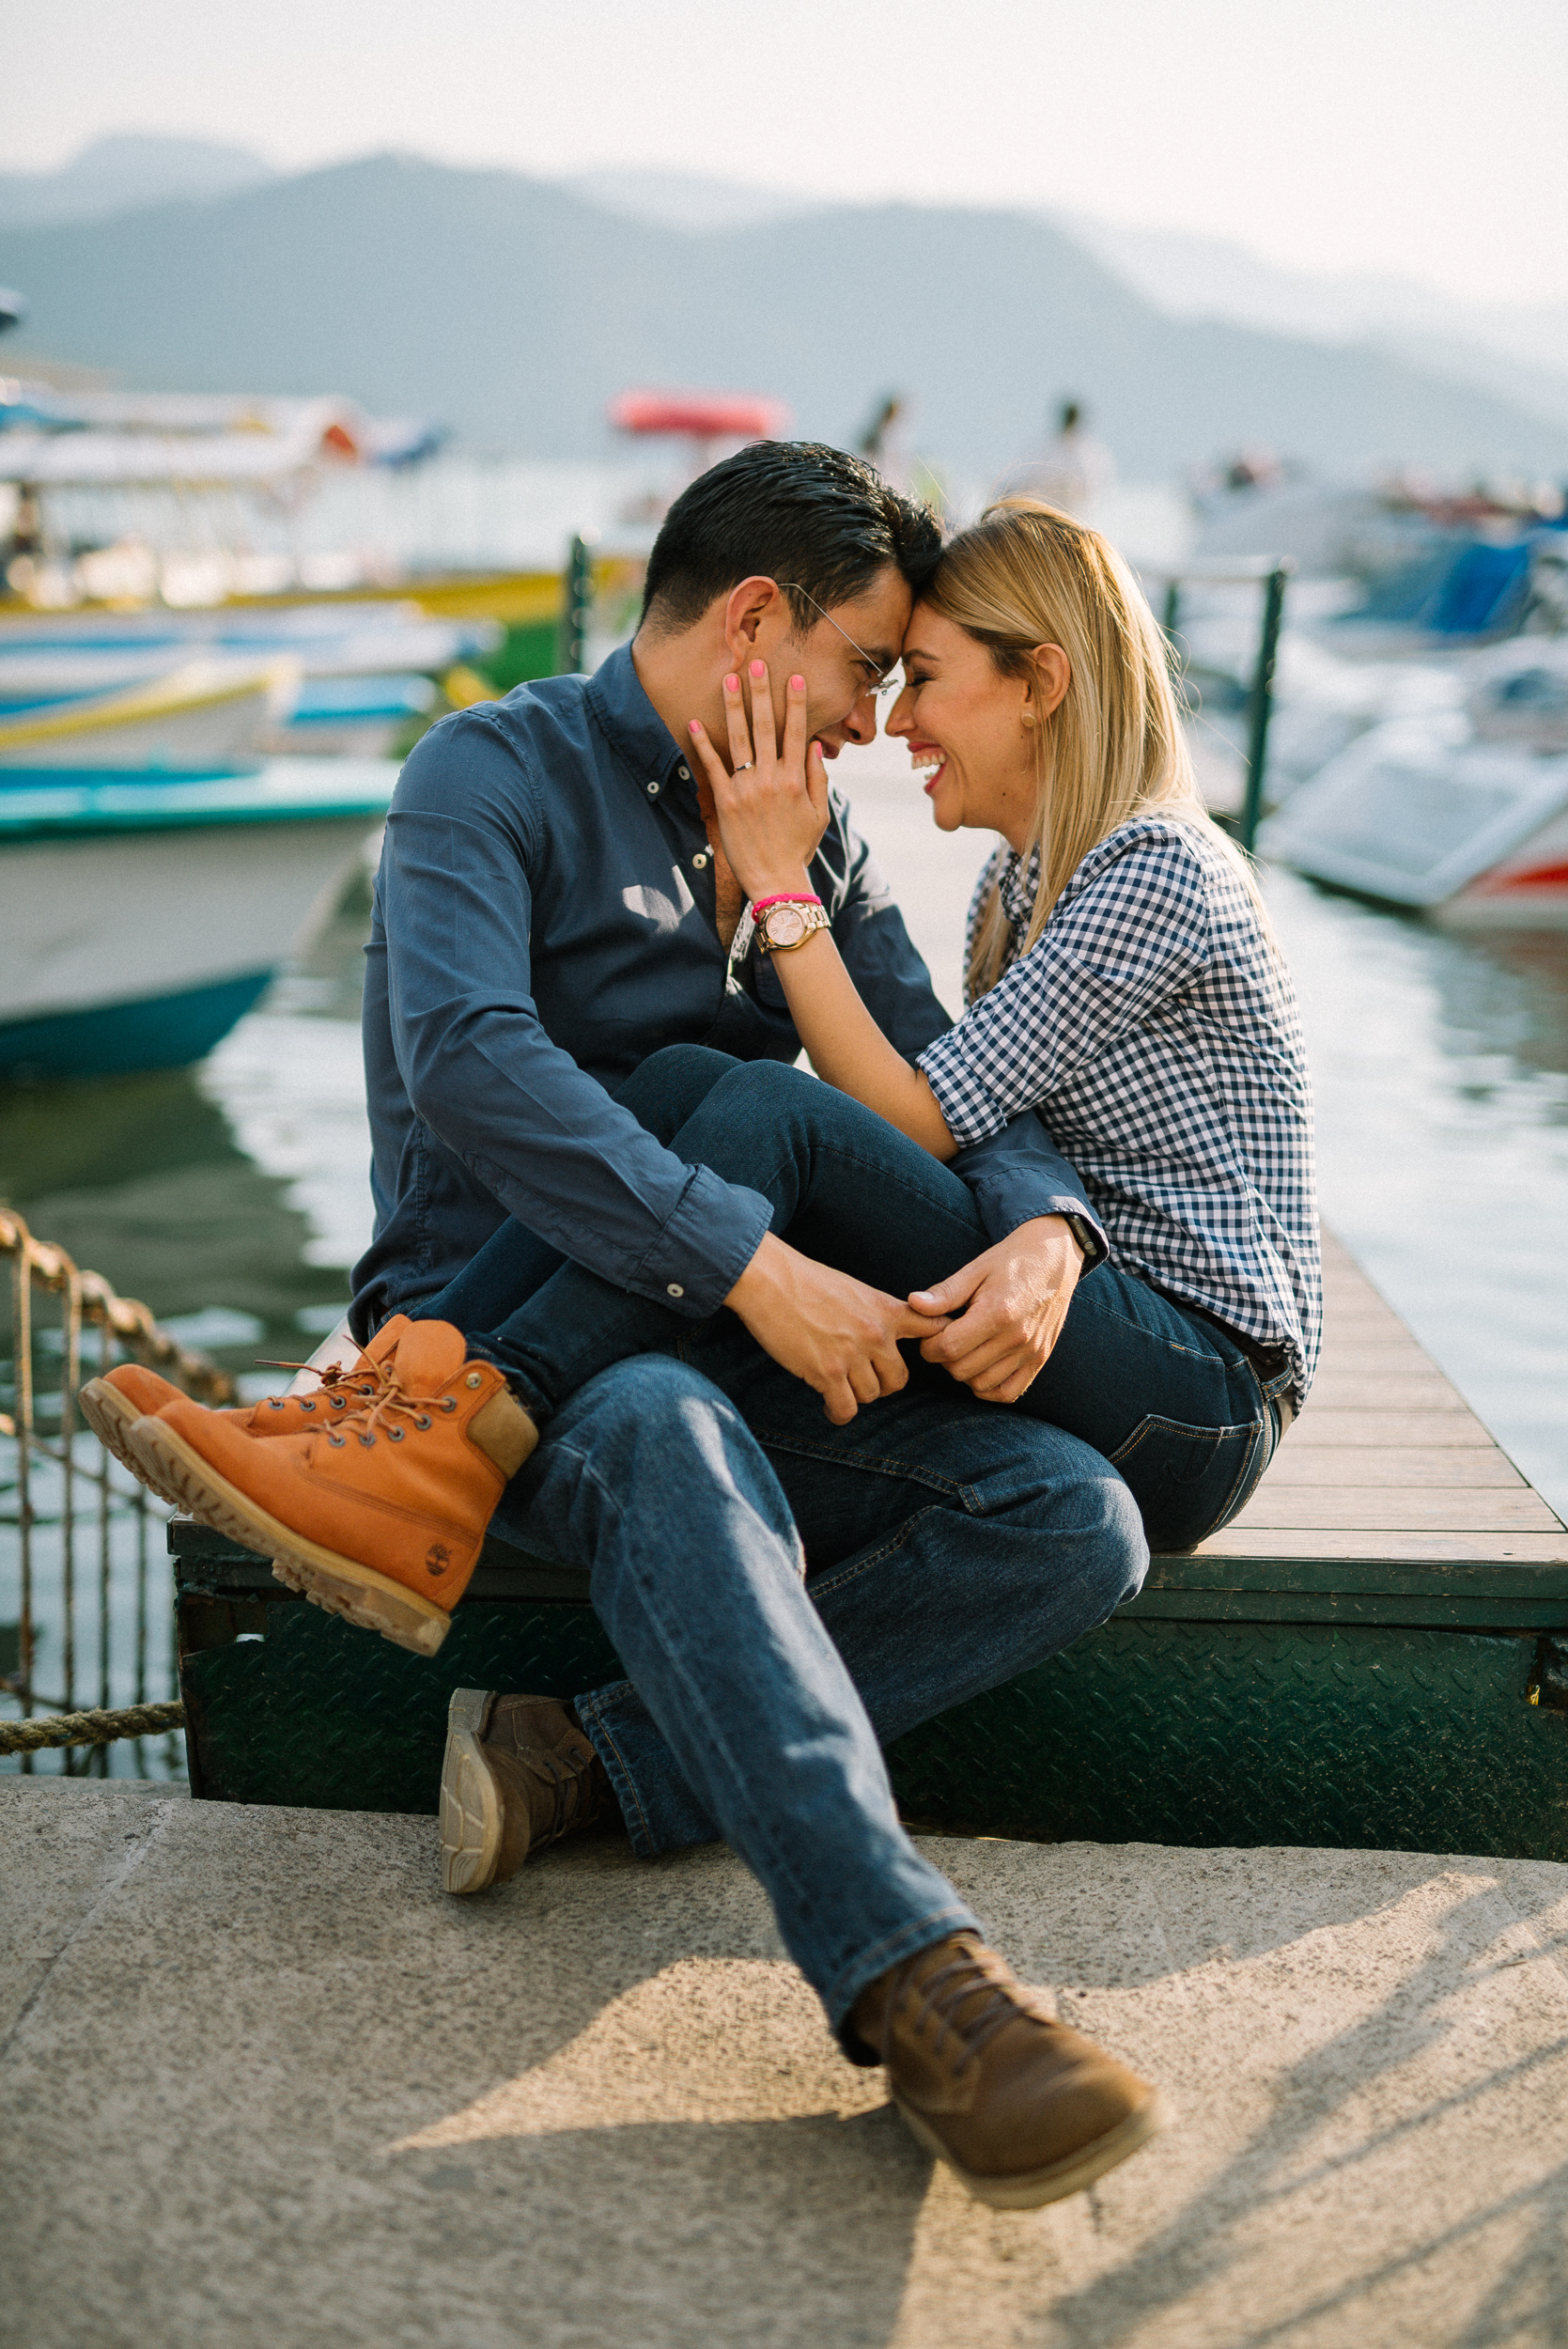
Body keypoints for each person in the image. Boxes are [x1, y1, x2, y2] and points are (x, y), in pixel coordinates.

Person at [87, 443, 1167, 2214]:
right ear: (755, 621)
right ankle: (921, 1991)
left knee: (1073, 1516)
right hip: (512, 1337)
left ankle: (579, 1755)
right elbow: (468, 1057)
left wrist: (1046, 1218)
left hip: (769, 1329)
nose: (870, 720)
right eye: (861, 673)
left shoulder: (805, 828)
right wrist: (743, 1259)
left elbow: (938, 1079)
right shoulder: (483, 771)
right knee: (664, 1423)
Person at [454, 496, 1320, 1551]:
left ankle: (461, 1426)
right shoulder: (1016, 883)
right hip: (1102, 1327)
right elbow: (983, 1114)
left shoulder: (1158, 869)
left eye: (924, 680)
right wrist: (1049, 1219)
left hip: (1202, 1391)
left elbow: (923, 1115)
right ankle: (419, 1375)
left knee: (774, 1107)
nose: (895, 723)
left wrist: (779, 886)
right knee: (685, 1081)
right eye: (883, 677)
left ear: (1040, 683)